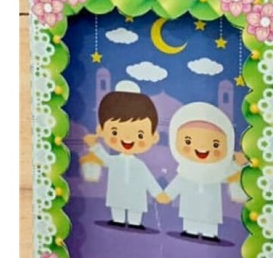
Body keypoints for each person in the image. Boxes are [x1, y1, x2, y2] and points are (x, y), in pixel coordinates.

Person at [82, 81, 166, 229]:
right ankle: (118, 219)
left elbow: (148, 179)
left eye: (140, 135)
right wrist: (94, 145)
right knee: (117, 205)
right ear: (101, 130)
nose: (127, 139)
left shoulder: (139, 165)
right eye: (115, 132)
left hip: (136, 196)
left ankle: (135, 222)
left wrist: (158, 193)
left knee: (135, 208)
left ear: (153, 137)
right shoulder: (115, 161)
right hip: (117, 193)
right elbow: (104, 159)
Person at [163, 102, 247, 242]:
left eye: (215, 144)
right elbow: (178, 183)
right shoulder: (186, 171)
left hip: (210, 205)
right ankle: (190, 229)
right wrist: (168, 194)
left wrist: (236, 172)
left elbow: (231, 176)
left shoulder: (219, 171)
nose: (202, 147)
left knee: (210, 218)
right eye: (188, 141)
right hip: (190, 203)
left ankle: (210, 233)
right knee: (190, 215)